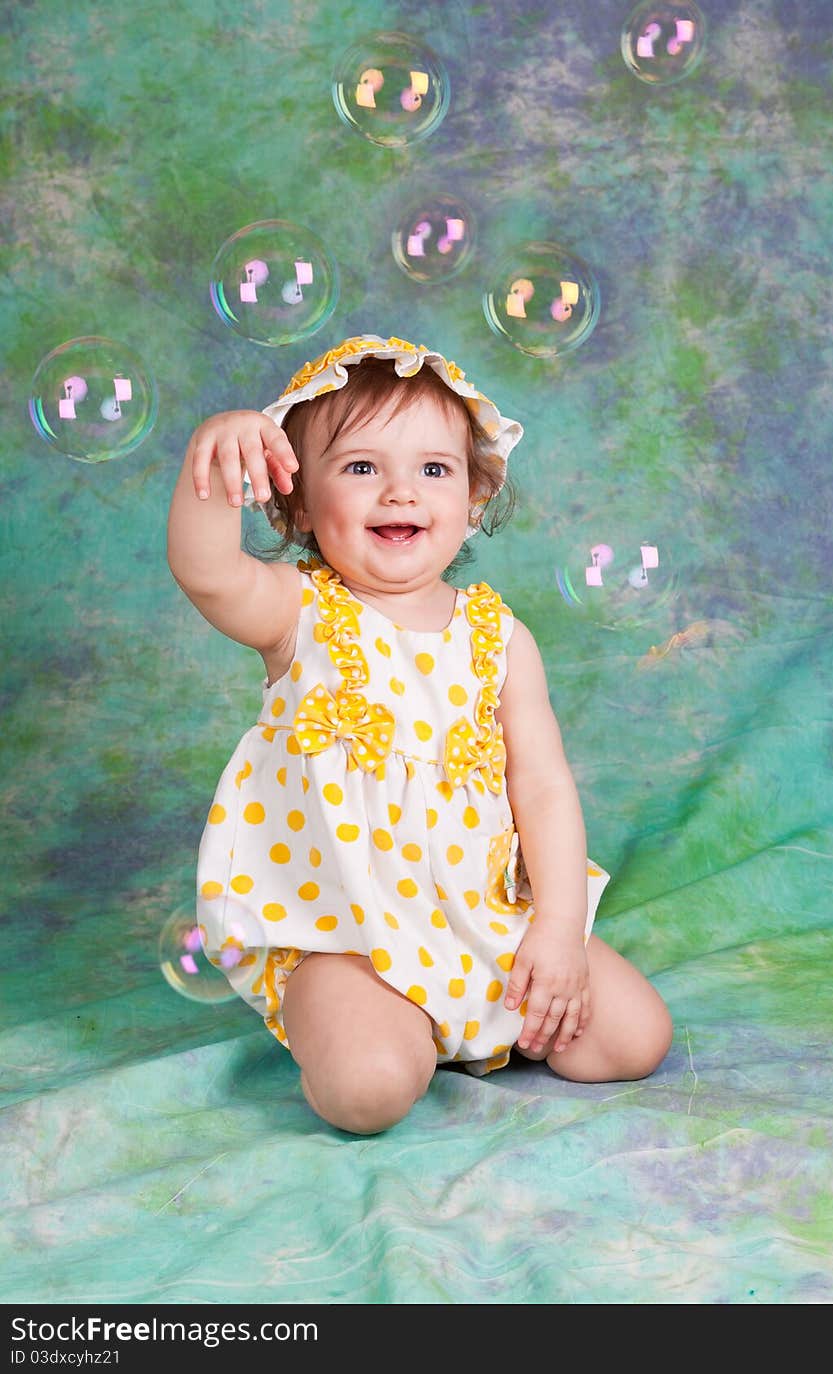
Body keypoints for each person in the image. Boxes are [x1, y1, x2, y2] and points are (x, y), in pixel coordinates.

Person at [167, 333, 672, 1135]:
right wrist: (213, 462)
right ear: (297, 503)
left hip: (485, 921)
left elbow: (541, 785)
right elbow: (206, 572)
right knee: (369, 1091)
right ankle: (371, 1029)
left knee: (636, 1038)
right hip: (348, 938)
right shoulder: (297, 614)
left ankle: (472, 1018)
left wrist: (558, 929)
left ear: (473, 498)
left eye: (433, 469)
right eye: (362, 467)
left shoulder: (499, 636)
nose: (400, 492)